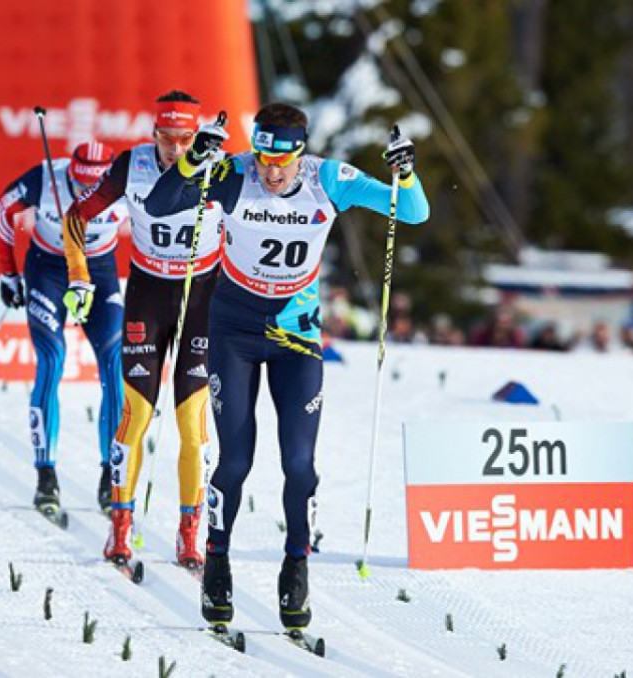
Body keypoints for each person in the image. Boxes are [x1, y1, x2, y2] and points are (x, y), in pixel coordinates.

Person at [144, 103, 429, 633]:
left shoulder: (328, 179)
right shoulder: (234, 173)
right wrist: (191, 164)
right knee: (236, 459)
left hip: (296, 334)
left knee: (299, 462)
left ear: (301, 152)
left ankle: (296, 565)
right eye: (265, 159)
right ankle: (218, 561)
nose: (272, 172)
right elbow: (162, 206)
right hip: (234, 329)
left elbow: (412, 211)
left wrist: (405, 173)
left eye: (284, 161)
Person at [62, 91, 224, 569]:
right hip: (149, 296)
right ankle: (120, 528)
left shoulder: (221, 166)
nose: (176, 149)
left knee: (192, 426)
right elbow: (77, 217)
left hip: (201, 298)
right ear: (154, 134)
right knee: (134, 414)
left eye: (185, 138)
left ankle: (190, 533)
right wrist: (78, 275)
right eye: (167, 138)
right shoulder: (131, 166)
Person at [0, 141, 128, 517]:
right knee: (52, 360)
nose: (85, 195)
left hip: (99, 272)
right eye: (78, 185)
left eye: (93, 189)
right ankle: (46, 476)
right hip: (49, 270)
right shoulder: (47, 174)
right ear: (70, 171)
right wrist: (8, 272)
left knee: (113, 364)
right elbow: (2, 210)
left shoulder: (126, 179)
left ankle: (109, 475)